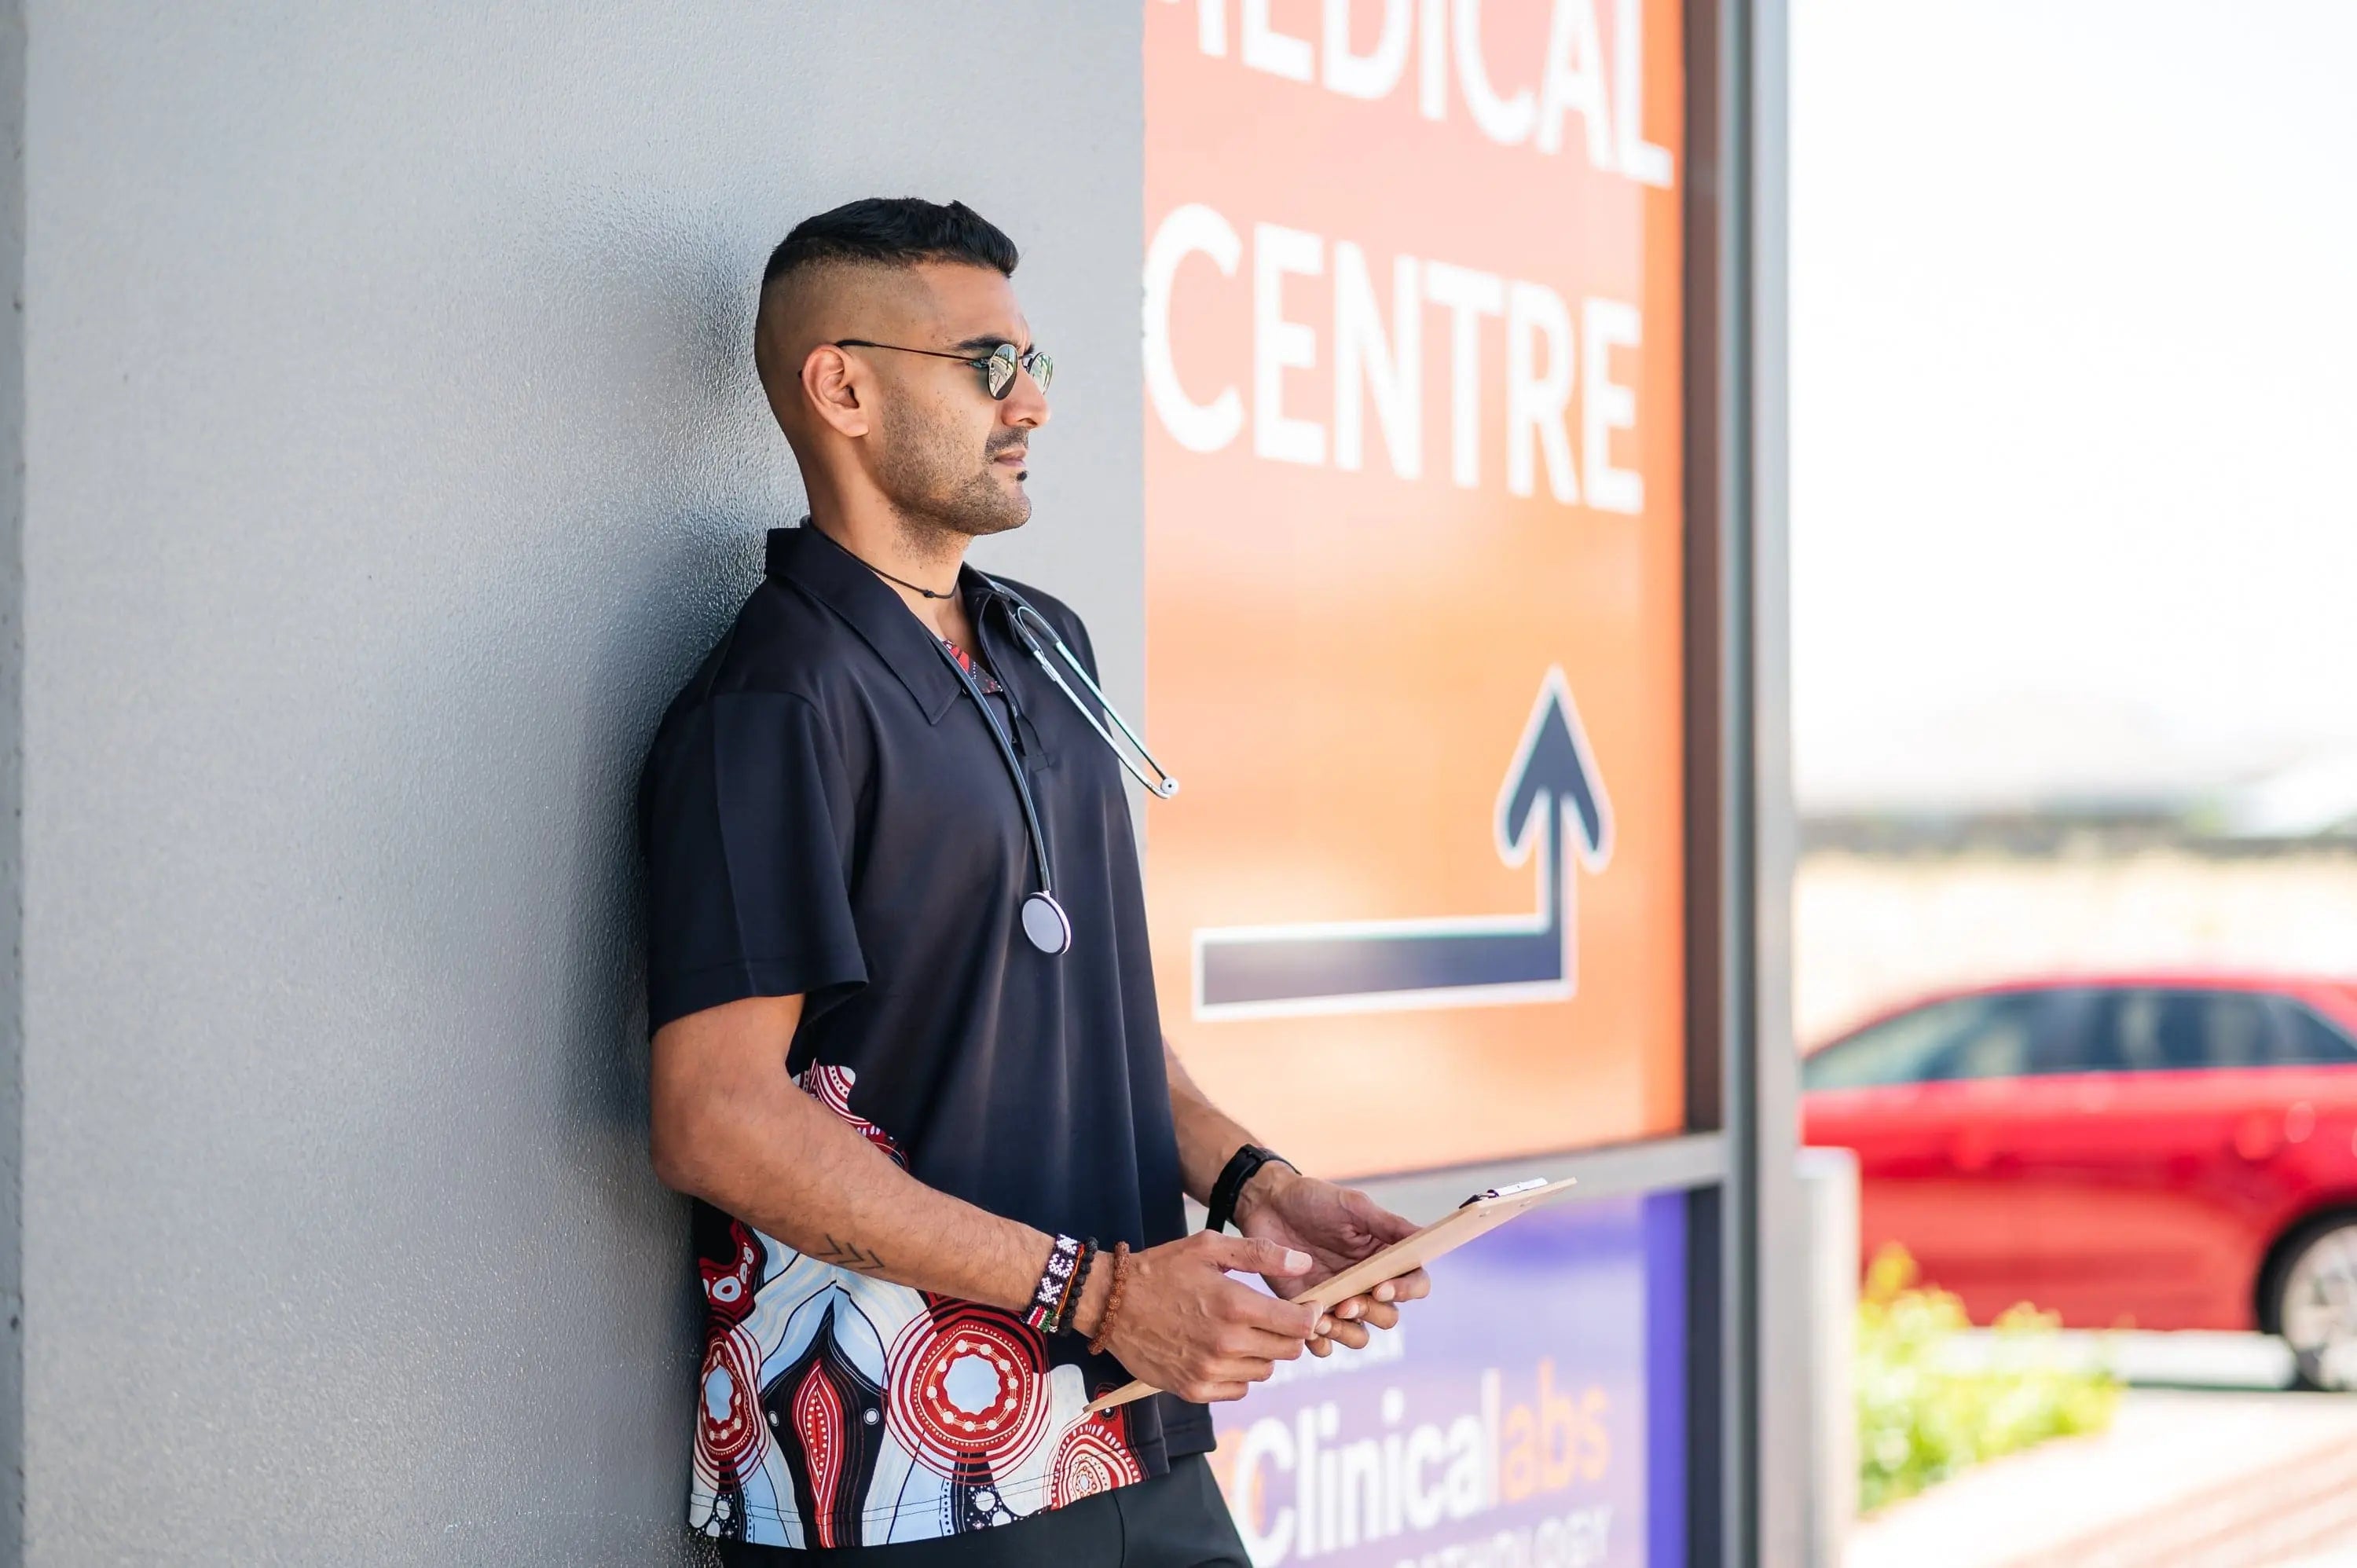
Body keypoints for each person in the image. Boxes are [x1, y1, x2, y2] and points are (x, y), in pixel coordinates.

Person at [639, 196, 1429, 1565]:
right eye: (988, 366)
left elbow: (1082, 1009)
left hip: (1125, 1427)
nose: (1035, 404)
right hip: (899, 1487)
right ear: (845, 388)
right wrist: (1102, 1290)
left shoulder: (1044, 646)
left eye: (1036, 363)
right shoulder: (773, 702)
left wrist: (1254, 1182)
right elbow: (717, 1118)